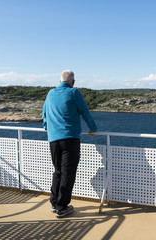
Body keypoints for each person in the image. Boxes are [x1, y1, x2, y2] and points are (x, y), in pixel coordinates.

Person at [42, 70, 98, 218]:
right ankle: (62, 207)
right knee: (68, 173)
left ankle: (54, 203)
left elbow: (45, 114)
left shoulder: (50, 94)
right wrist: (93, 129)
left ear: (59, 81)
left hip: (53, 139)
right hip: (70, 139)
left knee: (58, 171)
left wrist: (46, 127)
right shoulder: (74, 93)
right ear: (73, 82)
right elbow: (85, 112)